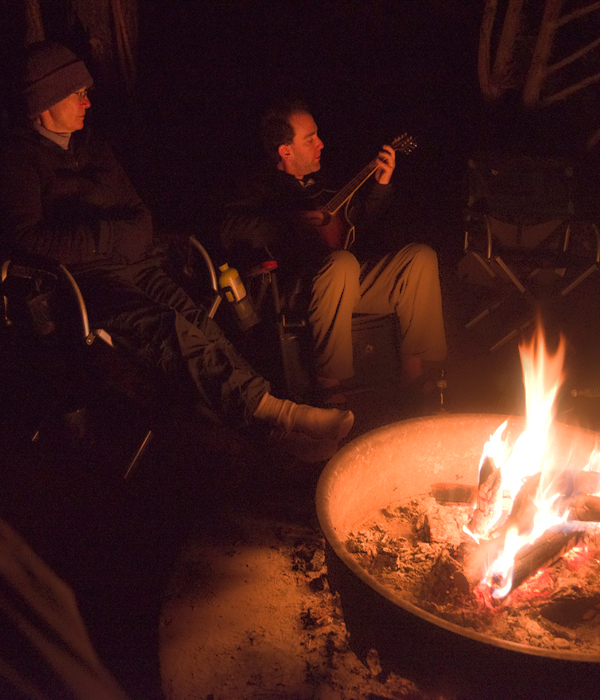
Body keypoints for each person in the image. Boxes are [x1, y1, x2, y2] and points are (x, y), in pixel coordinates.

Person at [0, 42, 354, 462]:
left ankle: (270, 427)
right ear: (46, 99)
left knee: (199, 320)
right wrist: (104, 237)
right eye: (77, 93)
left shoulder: (93, 147)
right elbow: (28, 239)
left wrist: (115, 236)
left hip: (137, 263)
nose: (87, 101)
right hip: (87, 287)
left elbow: (140, 217)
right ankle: (282, 417)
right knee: (172, 331)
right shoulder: (17, 159)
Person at [221, 99, 447, 404]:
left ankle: (414, 373)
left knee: (420, 257)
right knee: (342, 263)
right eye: (310, 138)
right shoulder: (259, 186)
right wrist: (289, 222)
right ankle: (331, 384)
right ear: (285, 150)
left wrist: (381, 185)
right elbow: (228, 227)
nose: (321, 144)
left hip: (345, 281)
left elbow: (359, 225)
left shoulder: (324, 185)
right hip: (298, 288)